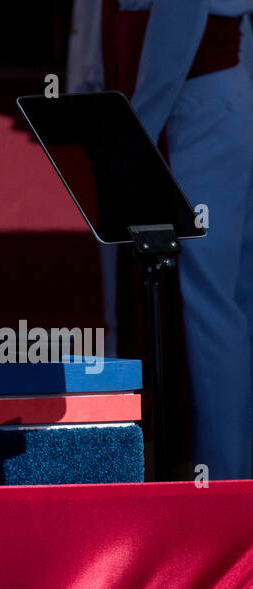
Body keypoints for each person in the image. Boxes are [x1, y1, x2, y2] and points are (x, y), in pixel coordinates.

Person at [119, 1, 253, 480]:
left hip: (199, 105)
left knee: (210, 307)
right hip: (227, 93)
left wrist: (134, 135)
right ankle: (234, 470)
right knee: (233, 299)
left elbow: (182, 18)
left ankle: (221, 477)